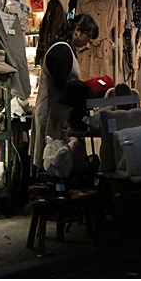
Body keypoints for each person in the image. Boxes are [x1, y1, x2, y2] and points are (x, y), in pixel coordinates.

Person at [29, 13, 99, 172]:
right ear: (77, 31)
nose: (87, 42)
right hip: (51, 115)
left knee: (56, 161)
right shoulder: (61, 51)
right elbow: (63, 86)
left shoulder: (66, 49)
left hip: (57, 115)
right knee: (50, 162)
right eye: (87, 37)